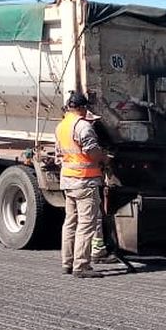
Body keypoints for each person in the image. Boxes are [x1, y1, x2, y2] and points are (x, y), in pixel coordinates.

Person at [56, 92, 107, 278]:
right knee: (86, 224)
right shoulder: (83, 126)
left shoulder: (62, 126)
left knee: (70, 223)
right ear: (82, 108)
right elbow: (92, 152)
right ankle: (81, 266)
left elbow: (60, 152)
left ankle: (67, 263)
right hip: (84, 180)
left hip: (68, 180)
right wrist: (105, 158)